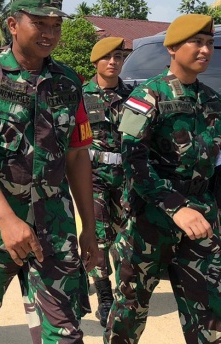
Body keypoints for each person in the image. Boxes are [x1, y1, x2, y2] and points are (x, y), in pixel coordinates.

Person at [0, 0, 99, 343]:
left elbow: (77, 155)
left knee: (65, 334)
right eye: (40, 23)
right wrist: (5, 219)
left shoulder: (68, 81)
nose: (50, 33)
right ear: (13, 25)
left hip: (54, 228)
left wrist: (90, 228)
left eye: (56, 25)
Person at [104, 14, 221, 343]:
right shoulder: (147, 96)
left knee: (210, 315)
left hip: (201, 221)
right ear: (173, 48)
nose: (205, 50)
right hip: (149, 221)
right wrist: (174, 206)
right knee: (129, 312)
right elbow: (132, 159)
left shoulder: (214, 101)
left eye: (210, 43)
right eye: (197, 42)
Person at [83, 36, 131, 327]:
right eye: (107, 57)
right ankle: (104, 296)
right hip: (94, 177)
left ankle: (124, 291)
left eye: (119, 57)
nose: (113, 62)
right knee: (99, 238)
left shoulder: (135, 96)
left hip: (125, 178)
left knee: (125, 240)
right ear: (96, 61)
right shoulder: (81, 95)